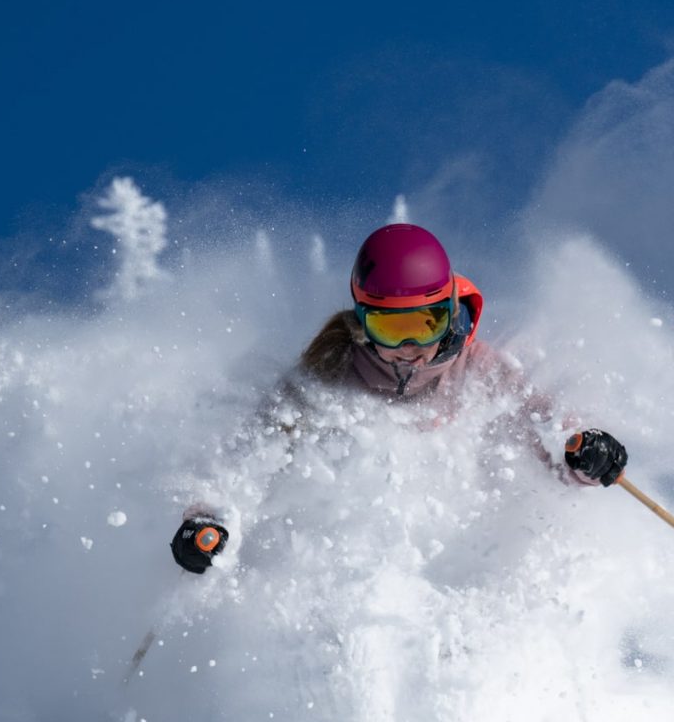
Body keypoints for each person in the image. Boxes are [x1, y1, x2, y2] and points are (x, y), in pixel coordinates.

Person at [170, 224, 628, 573]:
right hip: (348, 559)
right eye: (390, 328)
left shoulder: (480, 369)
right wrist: (208, 520)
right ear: (362, 321)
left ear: (449, 314)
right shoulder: (323, 380)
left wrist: (584, 447)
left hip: (469, 549)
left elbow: (547, 428)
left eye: (425, 324)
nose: (410, 346)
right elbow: (248, 456)